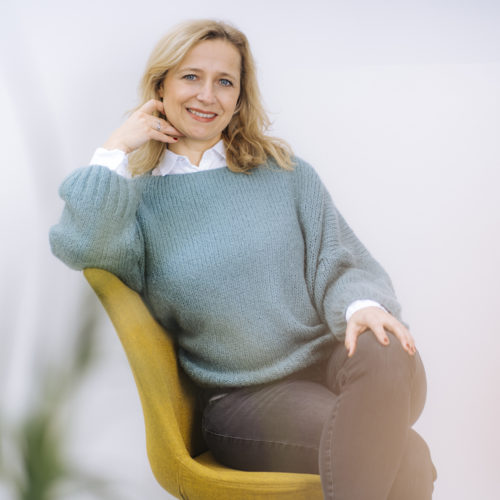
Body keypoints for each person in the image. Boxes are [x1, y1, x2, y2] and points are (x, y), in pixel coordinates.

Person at [50, 19, 436, 499]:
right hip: (245, 401)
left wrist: (362, 306)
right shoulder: (138, 206)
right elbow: (81, 244)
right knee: (407, 454)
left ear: (239, 97)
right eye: (191, 77)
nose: (207, 95)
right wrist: (114, 150)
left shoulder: (286, 174)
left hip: (337, 367)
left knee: (385, 343)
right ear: (161, 86)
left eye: (225, 82)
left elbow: (341, 263)